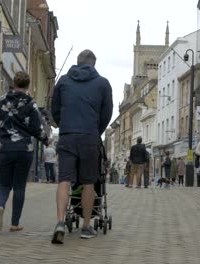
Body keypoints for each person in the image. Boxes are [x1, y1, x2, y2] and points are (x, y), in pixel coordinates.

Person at [51, 50, 113, 243]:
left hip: (67, 136)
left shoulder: (63, 81)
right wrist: (96, 130)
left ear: (77, 63)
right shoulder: (103, 83)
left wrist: (65, 126)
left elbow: (55, 108)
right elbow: (107, 113)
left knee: (64, 180)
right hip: (89, 137)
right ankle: (86, 227)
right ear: (93, 64)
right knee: (88, 183)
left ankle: (60, 222)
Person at [0, 71, 50, 232]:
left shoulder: (0, 101)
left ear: (13, 83)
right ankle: (14, 223)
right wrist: (47, 140)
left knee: (4, 185)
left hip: (4, 148)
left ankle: (1, 206)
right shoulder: (31, 103)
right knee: (19, 186)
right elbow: (37, 129)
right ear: (27, 85)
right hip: (23, 149)